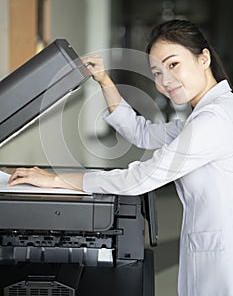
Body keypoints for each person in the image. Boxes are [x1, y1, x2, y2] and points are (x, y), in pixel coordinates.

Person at [8, 19, 233, 296]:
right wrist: (105, 80)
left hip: (223, 258)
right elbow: (143, 134)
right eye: (157, 73)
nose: (165, 81)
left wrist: (56, 180)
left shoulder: (214, 120)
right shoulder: (204, 116)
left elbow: (141, 177)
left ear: (204, 59)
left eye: (173, 65)